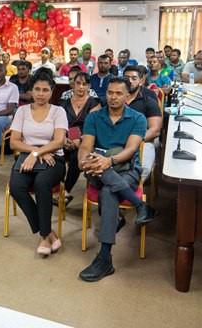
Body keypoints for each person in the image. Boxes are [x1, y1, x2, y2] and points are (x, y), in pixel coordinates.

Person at [78, 77, 155, 282]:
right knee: (98, 167)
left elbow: (130, 150)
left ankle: (104, 258)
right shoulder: (94, 117)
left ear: (128, 96)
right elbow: (86, 146)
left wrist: (109, 161)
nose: (113, 97)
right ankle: (140, 205)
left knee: (108, 191)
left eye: (119, 93)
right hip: (97, 168)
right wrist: (83, 161)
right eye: (110, 93)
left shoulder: (138, 118)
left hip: (126, 169)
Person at [9, 68, 68, 255]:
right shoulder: (22, 111)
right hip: (29, 156)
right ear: (31, 90)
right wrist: (35, 152)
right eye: (37, 89)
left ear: (52, 91)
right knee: (16, 187)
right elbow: (14, 142)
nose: (41, 94)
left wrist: (38, 153)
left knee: (42, 183)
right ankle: (48, 232)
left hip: (54, 159)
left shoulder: (58, 111)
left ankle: (43, 238)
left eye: (45, 90)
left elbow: (59, 141)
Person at [60, 72, 100, 202]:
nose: (81, 87)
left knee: (75, 157)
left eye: (85, 84)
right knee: (56, 154)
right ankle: (57, 187)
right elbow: (59, 124)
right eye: (78, 83)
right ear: (73, 84)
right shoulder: (64, 103)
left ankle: (65, 191)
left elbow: (92, 126)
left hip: (86, 139)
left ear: (89, 86)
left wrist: (79, 140)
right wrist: (65, 139)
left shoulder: (94, 103)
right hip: (65, 139)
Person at [124, 66, 162, 182]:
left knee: (143, 168)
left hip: (143, 140)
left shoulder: (148, 99)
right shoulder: (115, 99)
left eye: (134, 78)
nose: (129, 81)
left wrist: (135, 140)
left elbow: (155, 130)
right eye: (126, 78)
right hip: (116, 138)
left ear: (141, 81)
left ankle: (126, 190)